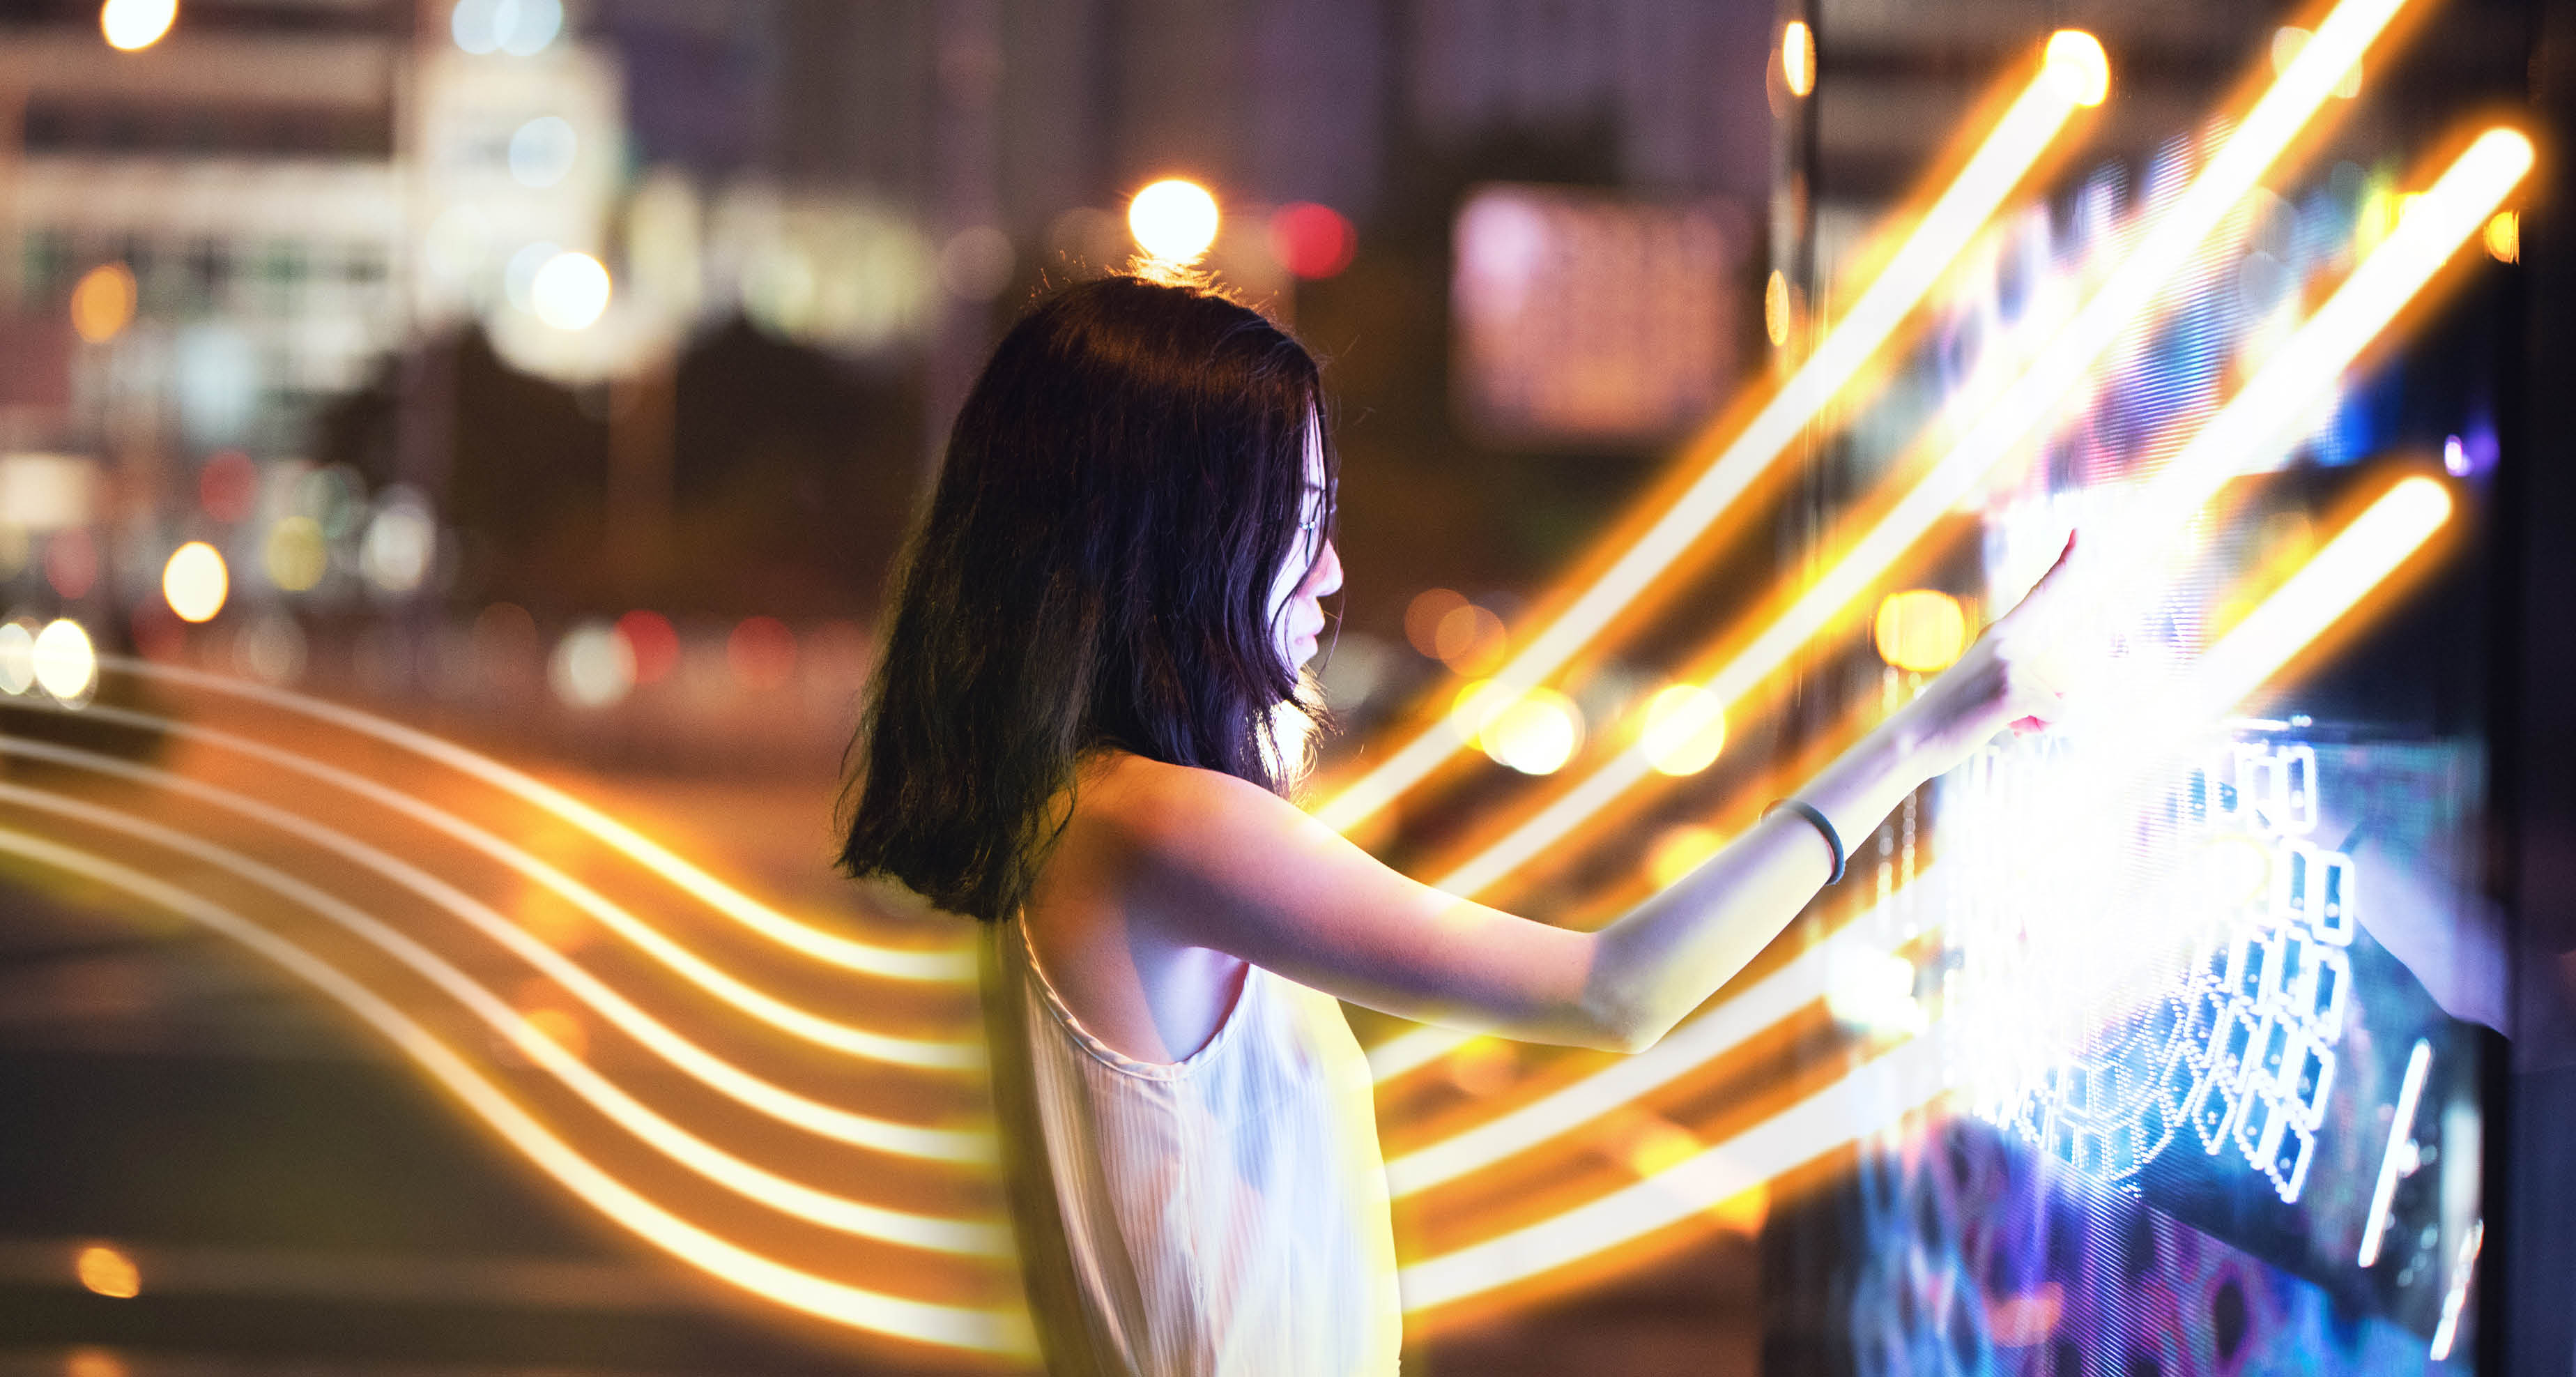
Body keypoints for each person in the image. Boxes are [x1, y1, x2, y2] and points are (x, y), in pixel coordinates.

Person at [838, 274, 2069, 1376]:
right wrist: (1923, 735)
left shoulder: (1097, 815)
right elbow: (1613, 993)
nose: (1328, 575)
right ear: (1182, 540)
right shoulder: (1156, 827)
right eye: (1299, 521)